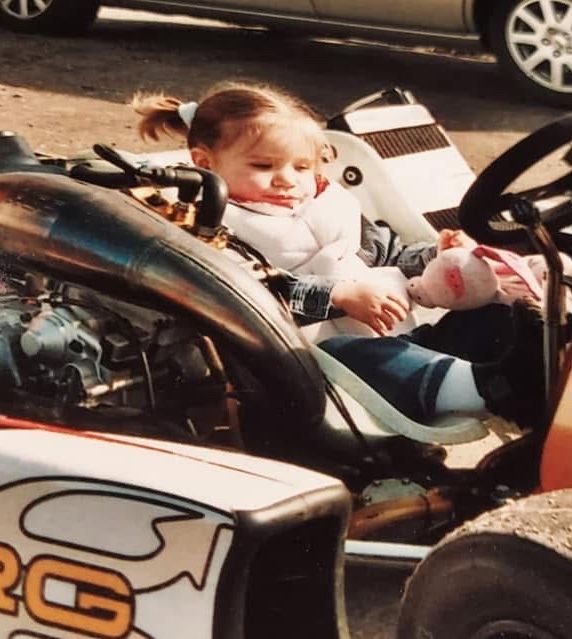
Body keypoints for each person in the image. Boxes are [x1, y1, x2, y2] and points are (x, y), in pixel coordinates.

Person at [132, 82, 544, 426]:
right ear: (204, 163)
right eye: (263, 166)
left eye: (301, 166)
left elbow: (388, 251)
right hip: (312, 367)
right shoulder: (213, 226)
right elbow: (248, 296)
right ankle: (494, 388)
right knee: (356, 356)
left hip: (396, 336)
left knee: (488, 315)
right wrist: (338, 296)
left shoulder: (327, 203)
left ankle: (533, 365)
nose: (287, 180)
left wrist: (433, 255)